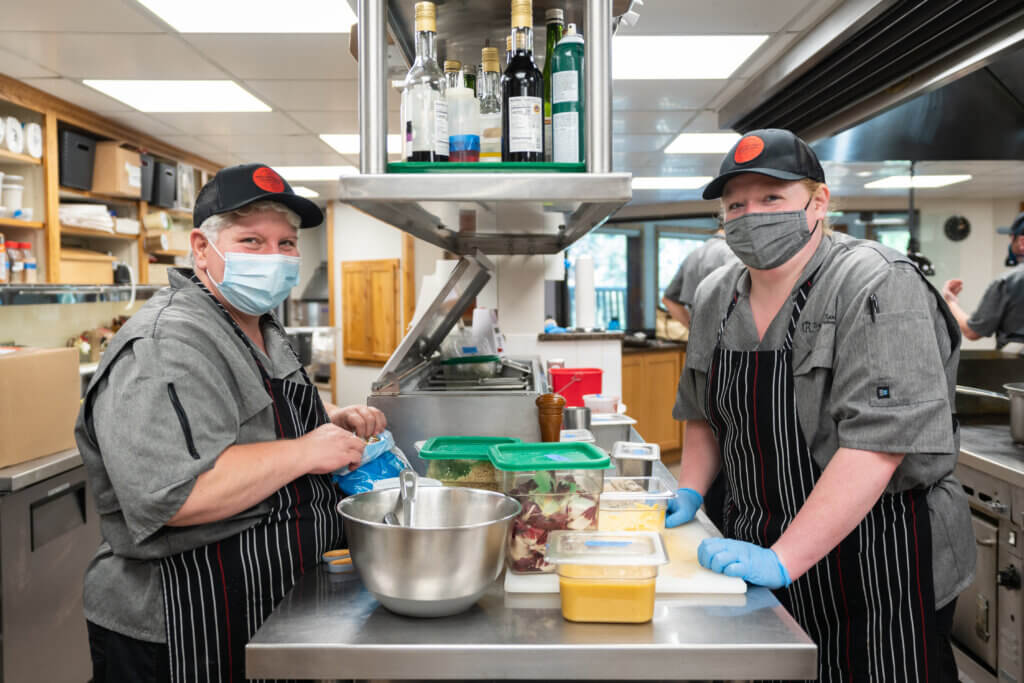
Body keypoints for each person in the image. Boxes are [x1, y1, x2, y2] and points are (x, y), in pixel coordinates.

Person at [665, 129, 974, 682]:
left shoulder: (875, 283)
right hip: (755, 539)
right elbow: (702, 414)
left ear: (818, 201)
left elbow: (877, 447)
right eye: (736, 203)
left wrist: (784, 557)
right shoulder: (716, 294)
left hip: (881, 558)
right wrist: (690, 489)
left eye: (771, 198)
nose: (750, 214)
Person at [76, 163, 387, 683]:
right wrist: (306, 450)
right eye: (252, 240)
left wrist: (328, 418)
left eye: (287, 243)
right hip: (185, 622)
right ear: (201, 248)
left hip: (261, 602)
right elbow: (171, 495)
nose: (276, 258)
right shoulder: (165, 345)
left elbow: (246, 410)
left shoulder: (256, 324)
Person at [942, 211, 1024, 347]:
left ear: (1021, 241)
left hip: (1016, 364)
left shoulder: (1008, 281)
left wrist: (950, 301)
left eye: (1011, 239)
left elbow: (972, 331)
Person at [661, 223, 738, 327]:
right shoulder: (735, 254)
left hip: (702, 340)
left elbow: (669, 300)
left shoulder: (693, 255)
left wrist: (694, 331)